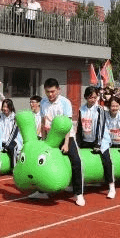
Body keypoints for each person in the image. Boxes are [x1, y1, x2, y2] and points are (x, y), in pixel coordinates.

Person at [37, 78, 85, 206]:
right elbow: (43, 122)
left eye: (52, 91)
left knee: (76, 161)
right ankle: (41, 191)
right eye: (47, 92)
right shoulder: (43, 102)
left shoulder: (65, 102)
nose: (50, 94)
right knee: (43, 161)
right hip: (51, 137)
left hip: (67, 137)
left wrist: (66, 143)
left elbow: (68, 124)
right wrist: (43, 140)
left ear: (58, 90)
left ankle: (78, 193)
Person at [77, 87, 115, 199]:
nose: (93, 100)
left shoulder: (100, 109)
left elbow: (101, 127)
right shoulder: (81, 109)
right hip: (86, 139)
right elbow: (79, 127)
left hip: (100, 140)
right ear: (86, 97)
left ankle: (111, 186)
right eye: (91, 97)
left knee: (106, 159)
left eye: (95, 97)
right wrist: (78, 142)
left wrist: (98, 144)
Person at [0, 99, 22, 169]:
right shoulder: (0, 117)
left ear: (11, 107)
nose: (5, 108)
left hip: (13, 140)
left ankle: (14, 168)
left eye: (7, 107)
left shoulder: (15, 118)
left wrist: (6, 145)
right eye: (4, 106)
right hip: (2, 140)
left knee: (12, 147)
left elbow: (13, 134)